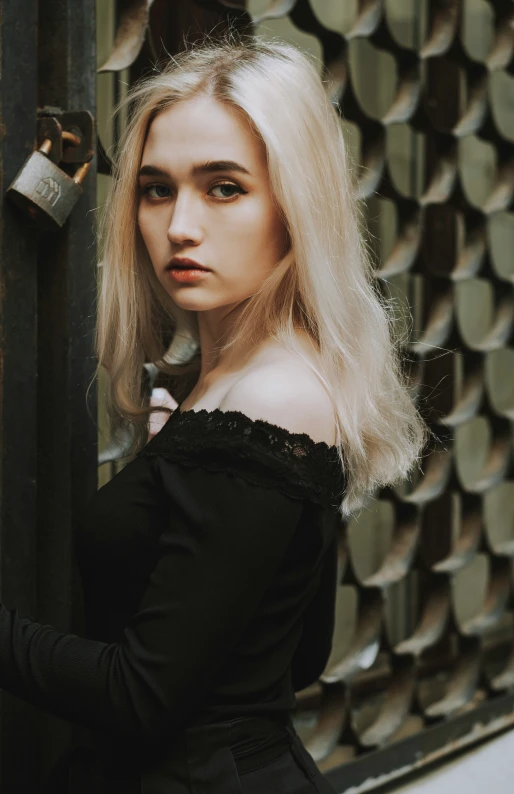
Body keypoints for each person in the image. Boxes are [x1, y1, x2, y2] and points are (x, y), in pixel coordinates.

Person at [1, 34, 427, 794]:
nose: (180, 226)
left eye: (224, 187)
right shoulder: (241, 388)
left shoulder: (271, 398)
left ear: (295, 205)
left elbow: (140, 696)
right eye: (157, 189)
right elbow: (298, 656)